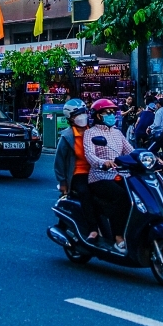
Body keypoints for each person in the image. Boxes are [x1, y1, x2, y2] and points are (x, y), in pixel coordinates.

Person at [83, 98, 133, 252]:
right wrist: (102, 162)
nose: (112, 115)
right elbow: (89, 154)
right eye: (108, 112)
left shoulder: (118, 133)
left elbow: (131, 151)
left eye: (113, 112)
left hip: (120, 174)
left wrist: (150, 158)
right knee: (122, 197)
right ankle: (118, 237)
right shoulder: (91, 133)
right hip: (99, 176)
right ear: (98, 115)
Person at [53, 99, 98, 242]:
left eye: (83, 113)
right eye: (77, 114)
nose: (82, 116)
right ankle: (93, 229)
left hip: (96, 172)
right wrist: (63, 183)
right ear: (70, 118)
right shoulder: (67, 137)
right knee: (86, 193)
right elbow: (59, 162)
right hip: (78, 174)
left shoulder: (93, 132)